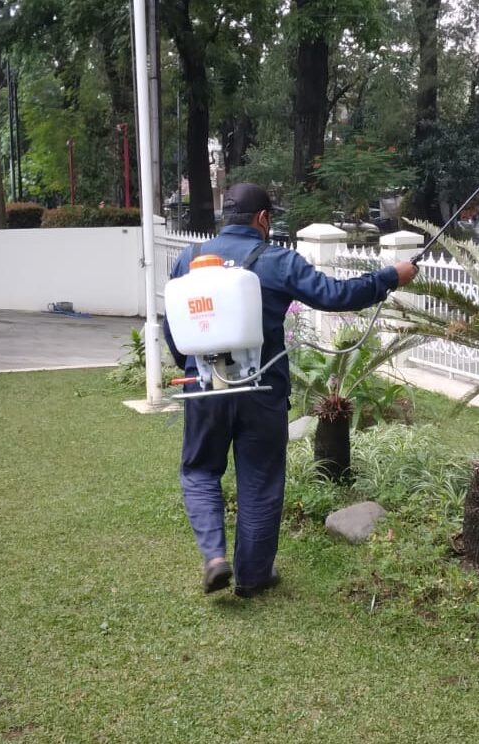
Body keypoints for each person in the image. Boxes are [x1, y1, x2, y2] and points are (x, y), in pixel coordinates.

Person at [163, 182, 419, 597]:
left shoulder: (187, 260)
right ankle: (253, 576)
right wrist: (391, 276)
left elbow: (173, 322)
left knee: (200, 471)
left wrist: (189, 366)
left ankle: (214, 557)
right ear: (263, 219)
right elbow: (336, 295)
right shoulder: (277, 261)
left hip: (206, 388)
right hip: (261, 391)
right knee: (260, 481)